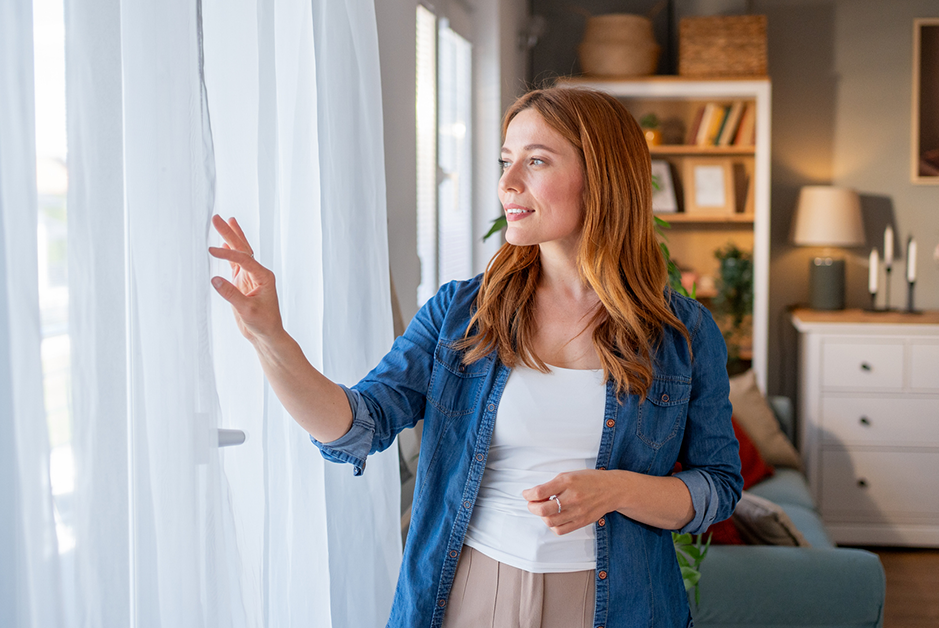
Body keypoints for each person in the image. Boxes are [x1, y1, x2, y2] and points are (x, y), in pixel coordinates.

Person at [209, 86, 742, 628]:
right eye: (507, 162)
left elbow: (718, 486)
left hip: (619, 605)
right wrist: (271, 337)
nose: (507, 184)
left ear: (603, 178)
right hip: (470, 593)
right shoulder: (461, 312)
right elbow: (355, 427)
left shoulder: (683, 334)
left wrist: (617, 490)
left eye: (536, 161)